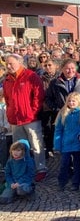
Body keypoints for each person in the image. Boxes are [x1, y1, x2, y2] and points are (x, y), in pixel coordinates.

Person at [3, 54, 46, 182]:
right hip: (15, 119)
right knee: (19, 147)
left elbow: (38, 97)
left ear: (20, 62)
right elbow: (7, 99)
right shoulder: (7, 80)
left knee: (36, 144)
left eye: (11, 63)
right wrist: (10, 113)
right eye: (6, 64)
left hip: (30, 118)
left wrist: (32, 112)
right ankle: (22, 169)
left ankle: (41, 168)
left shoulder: (31, 76)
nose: (8, 66)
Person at [53, 92, 80, 191]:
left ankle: (76, 183)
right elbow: (58, 130)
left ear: (78, 102)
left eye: (73, 101)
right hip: (66, 143)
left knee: (77, 164)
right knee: (64, 164)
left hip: (77, 143)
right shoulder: (63, 113)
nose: (71, 103)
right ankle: (62, 182)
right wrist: (57, 145)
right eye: (69, 101)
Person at [0, 140, 35, 204]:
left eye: (18, 150)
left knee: (21, 189)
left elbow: (30, 174)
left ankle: (30, 190)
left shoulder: (29, 161)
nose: (15, 152)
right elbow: (7, 174)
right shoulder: (10, 162)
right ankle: (14, 193)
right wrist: (11, 183)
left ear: (23, 151)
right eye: (14, 150)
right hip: (12, 183)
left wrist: (19, 182)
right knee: (3, 200)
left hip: (24, 182)